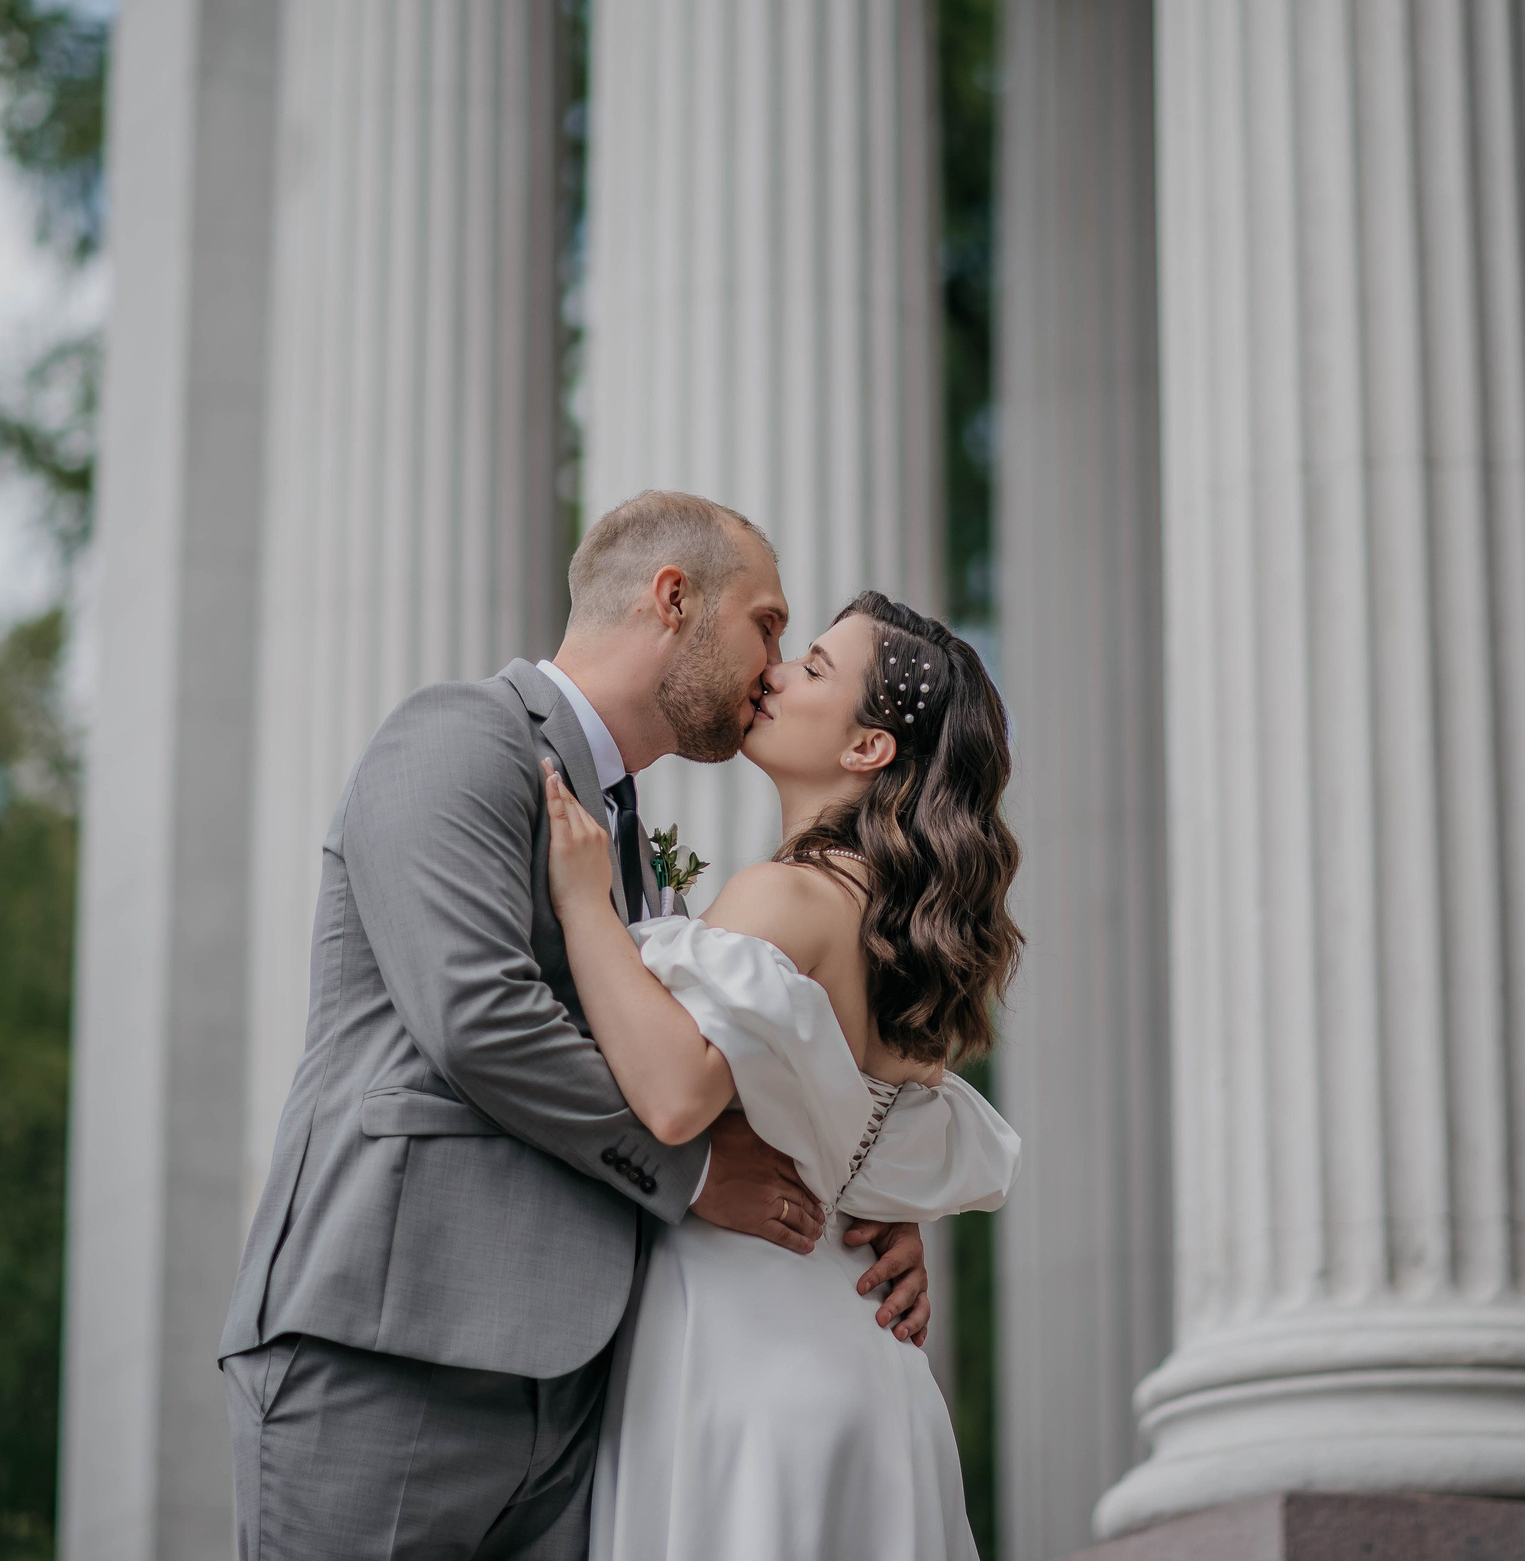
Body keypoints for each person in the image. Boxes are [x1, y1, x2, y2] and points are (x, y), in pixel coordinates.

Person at [219, 493, 934, 1560]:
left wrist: (859, 1204)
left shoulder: (630, 845)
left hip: (580, 1397)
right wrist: (696, 1172)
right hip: (394, 1341)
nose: (775, 666)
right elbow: (477, 1014)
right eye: (767, 624)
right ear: (674, 598)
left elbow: (718, 1056)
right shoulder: (459, 734)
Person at [539, 589, 1023, 1561]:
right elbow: (857, 1138)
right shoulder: (899, 936)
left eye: (812, 668)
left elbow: (676, 1094)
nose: (775, 672)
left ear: (867, 747)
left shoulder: (788, 895)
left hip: (743, 1358)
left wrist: (585, 904)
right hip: (871, 1370)